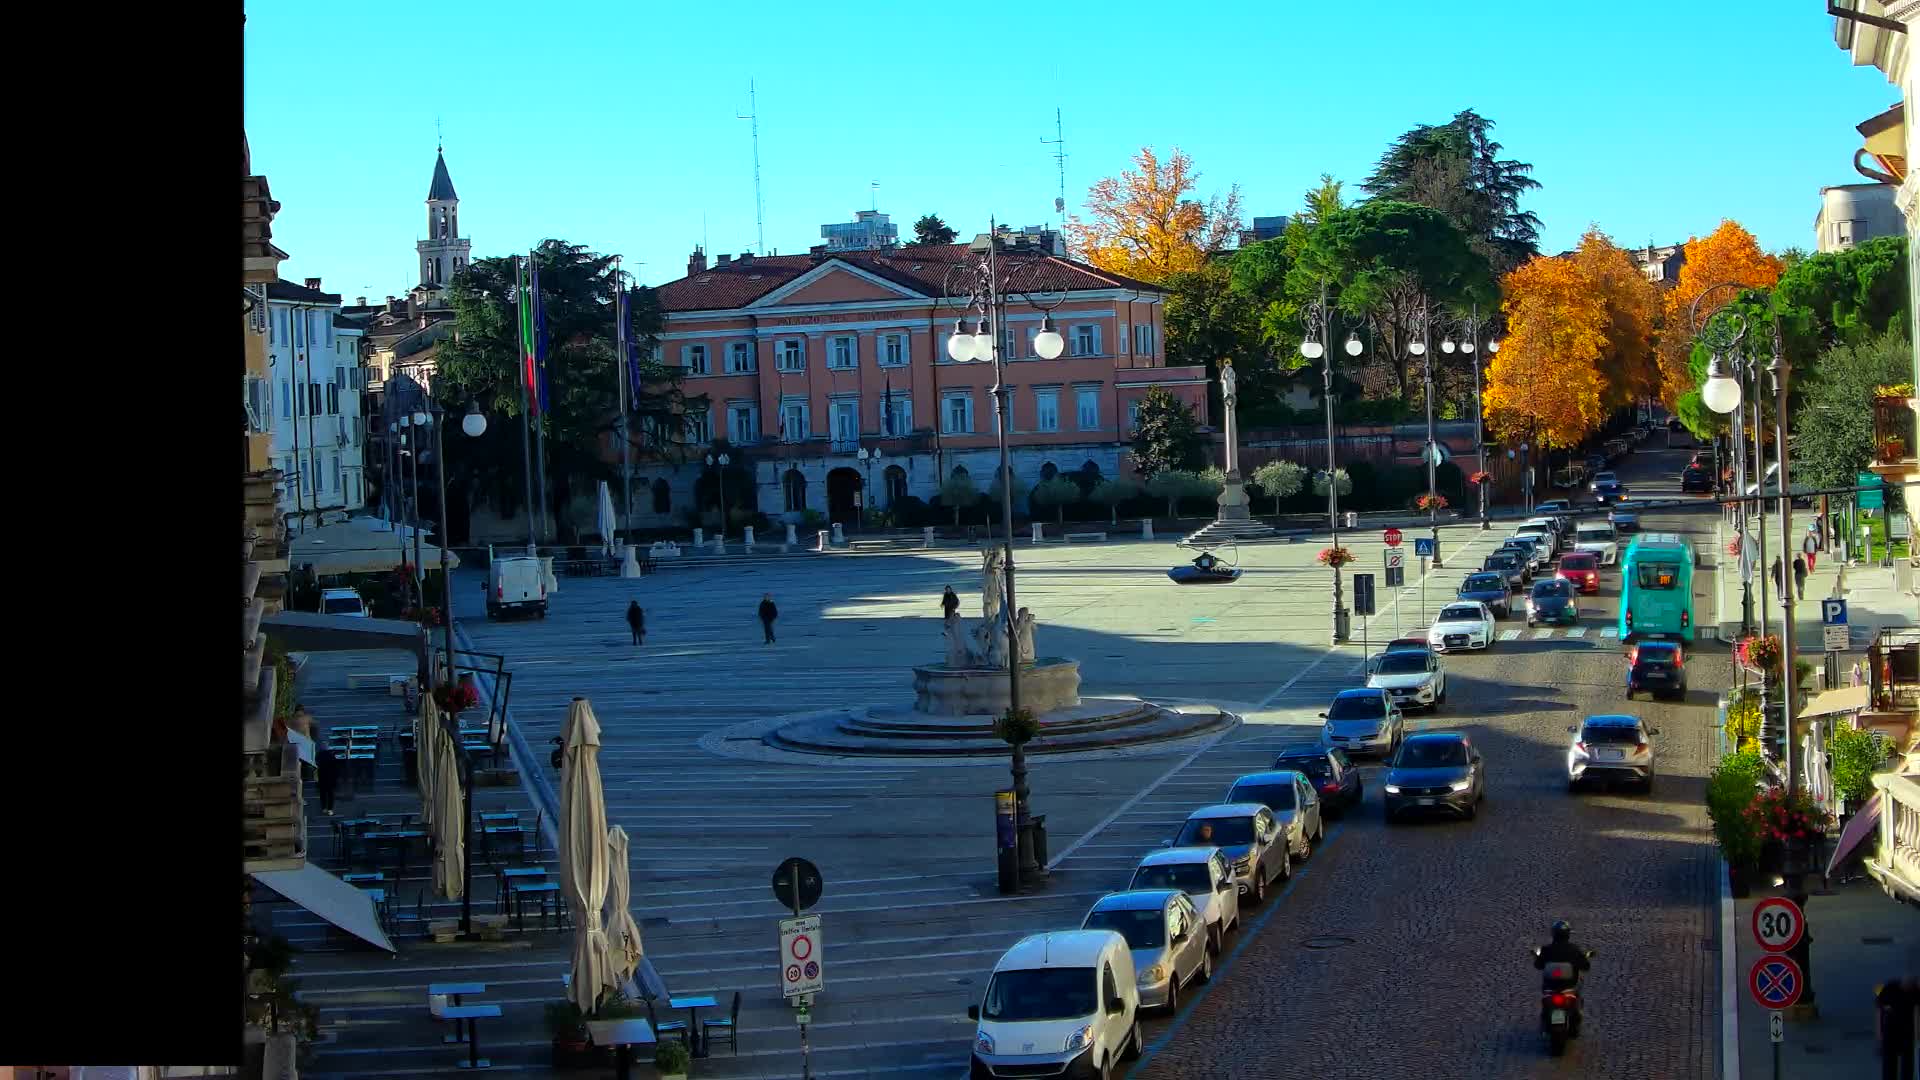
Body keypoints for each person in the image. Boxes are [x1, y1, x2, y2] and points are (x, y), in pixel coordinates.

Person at [1534, 920, 1593, 1034]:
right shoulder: (1574, 949)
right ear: (1568, 934)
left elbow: (1538, 965)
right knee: (1578, 994)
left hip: (1551, 987)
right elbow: (1585, 966)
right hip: (1569, 987)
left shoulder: (1547, 949)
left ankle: (1546, 1022)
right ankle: (1575, 1022)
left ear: (1554, 934)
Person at [1877, 975, 1915, 1080]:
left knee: (1905, 1069)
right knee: (1891, 1069)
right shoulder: (1888, 988)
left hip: (1906, 1035)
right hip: (1891, 1035)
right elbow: (1879, 1012)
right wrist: (1880, 1036)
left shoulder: (1914, 991)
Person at [315, 732, 340, 816]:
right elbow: (336, 768)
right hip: (330, 778)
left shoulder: (319, 756)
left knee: (323, 794)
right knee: (330, 794)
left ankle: (324, 808)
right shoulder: (331, 756)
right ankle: (330, 809)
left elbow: (316, 766)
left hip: (322, 778)